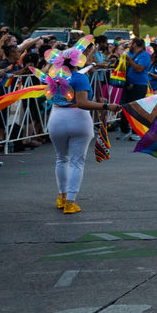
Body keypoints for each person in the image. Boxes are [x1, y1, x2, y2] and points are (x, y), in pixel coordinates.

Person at [46, 40, 120, 214]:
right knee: (77, 162)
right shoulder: (80, 77)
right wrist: (107, 107)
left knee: (61, 158)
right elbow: (82, 103)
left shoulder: (53, 76)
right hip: (78, 119)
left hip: (57, 118)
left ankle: (62, 197)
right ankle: (70, 202)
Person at [118, 38, 151, 139]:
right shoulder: (130, 53)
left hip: (139, 85)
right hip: (127, 84)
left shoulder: (144, 55)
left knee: (136, 108)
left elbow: (139, 69)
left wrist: (129, 59)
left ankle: (136, 132)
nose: (129, 45)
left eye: (131, 43)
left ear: (136, 44)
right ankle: (125, 129)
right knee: (124, 106)